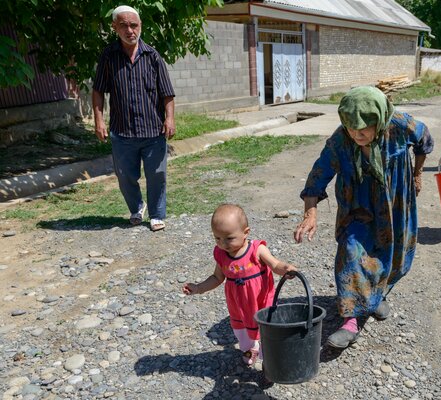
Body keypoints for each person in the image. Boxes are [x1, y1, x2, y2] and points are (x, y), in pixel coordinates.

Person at [293, 86, 434, 349]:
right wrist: (310, 213)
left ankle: (377, 295)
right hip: (357, 208)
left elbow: (425, 141)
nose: (357, 134)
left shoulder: (401, 126)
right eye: (350, 127)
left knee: (395, 255)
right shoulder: (339, 141)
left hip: (395, 207)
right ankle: (351, 320)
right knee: (352, 250)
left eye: (364, 128)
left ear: (379, 121)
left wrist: (417, 173)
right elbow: (316, 178)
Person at [92, 5, 176, 232]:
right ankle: (137, 207)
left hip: (153, 131)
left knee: (157, 175)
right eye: (124, 25)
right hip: (122, 132)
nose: (130, 30)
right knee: (125, 177)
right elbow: (98, 90)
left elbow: (166, 92)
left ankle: (157, 214)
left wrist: (170, 119)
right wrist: (99, 120)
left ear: (140, 26)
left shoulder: (153, 56)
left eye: (134, 25)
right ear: (114, 27)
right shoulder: (109, 56)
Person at [182, 204, 297, 365]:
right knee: (242, 329)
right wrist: (199, 288)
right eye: (217, 238)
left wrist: (286, 269)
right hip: (239, 303)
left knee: (266, 327)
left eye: (229, 238)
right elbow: (217, 277)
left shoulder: (257, 249)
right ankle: (250, 349)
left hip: (260, 301)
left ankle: (269, 358)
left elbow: (275, 265)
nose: (223, 243)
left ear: (246, 233)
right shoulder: (222, 255)